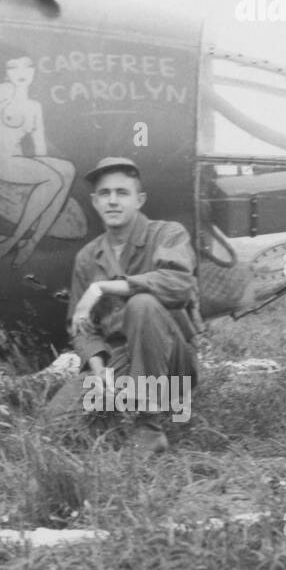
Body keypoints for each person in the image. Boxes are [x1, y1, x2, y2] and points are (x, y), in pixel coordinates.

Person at [65, 157, 202, 453]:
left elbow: (178, 284)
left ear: (139, 200)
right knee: (57, 426)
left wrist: (101, 287)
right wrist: (99, 369)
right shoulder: (88, 257)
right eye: (105, 194)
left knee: (142, 304)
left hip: (171, 368)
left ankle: (149, 426)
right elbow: (81, 329)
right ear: (94, 201)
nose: (113, 201)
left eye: (122, 193)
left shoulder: (168, 233)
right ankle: (113, 410)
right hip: (118, 364)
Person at [0, 55, 82, 267]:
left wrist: (44, 165)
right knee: (54, 180)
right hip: (0, 160)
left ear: (34, 71)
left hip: (19, 159)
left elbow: (39, 146)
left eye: (27, 67)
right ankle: (14, 240)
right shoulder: (4, 90)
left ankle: (31, 242)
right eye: (13, 67)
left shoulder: (34, 106)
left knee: (67, 171)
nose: (21, 72)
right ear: (7, 74)